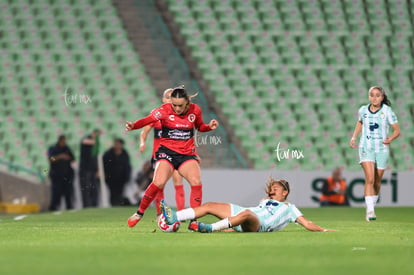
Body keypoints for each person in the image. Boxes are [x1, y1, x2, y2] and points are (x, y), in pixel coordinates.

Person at [125, 85, 219, 229]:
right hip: (167, 153)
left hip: (187, 154)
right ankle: (139, 213)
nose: (177, 108)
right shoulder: (164, 110)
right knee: (159, 182)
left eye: (180, 105)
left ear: (187, 102)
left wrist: (209, 127)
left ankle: (193, 221)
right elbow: (147, 120)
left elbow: (199, 126)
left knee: (196, 181)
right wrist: (134, 126)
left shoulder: (195, 110)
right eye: (174, 105)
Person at [161, 177, 335, 233]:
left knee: (245, 214)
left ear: (285, 193)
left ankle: (208, 228)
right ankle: (174, 217)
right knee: (209, 205)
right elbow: (238, 223)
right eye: (272, 187)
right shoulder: (265, 201)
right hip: (245, 214)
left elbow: (306, 223)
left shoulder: (290, 208)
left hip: (259, 224)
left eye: (276, 188)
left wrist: (323, 230)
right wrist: (228, 229)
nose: (272, 190)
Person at [350, 86, 400, 222]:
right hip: (366, 147)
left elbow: (397, 130)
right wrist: (354, 137)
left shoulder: (387, 111)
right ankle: (370, 211)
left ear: (382, 97)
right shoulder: (363, 110)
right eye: (372, 95)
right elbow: (360, 122)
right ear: (369, 97)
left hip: (382, 149)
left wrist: (391, 138)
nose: (375, 98)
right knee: (370, 179)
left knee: (377, 181)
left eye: (378, 95)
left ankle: (372, 203)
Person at [139, 88, 190, 215]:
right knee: (159, 185)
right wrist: (142, 142)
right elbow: (145, 131)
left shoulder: (181, 116)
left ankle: (181, 214)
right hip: (160, 156)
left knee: (178, 182)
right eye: (167, 97)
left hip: (177, 154)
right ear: (163, 99)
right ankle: (160, 214)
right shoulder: (157, 115)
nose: (169, 100)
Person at [47, 135, 75, 211]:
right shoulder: (53, 148)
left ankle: (69, 207)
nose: (64, 143)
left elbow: (73, 158)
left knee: (68, 193)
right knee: (56, 193)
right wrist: (59, 157)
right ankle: (53, 208)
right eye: (63, 141)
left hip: (67, 175)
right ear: (59, 141)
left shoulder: (66, 148)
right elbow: (51, 158)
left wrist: (67, 157)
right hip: (56, 175)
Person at [103, 138, 131, 206]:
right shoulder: (108, 154)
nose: (117, 145)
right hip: (111, 177)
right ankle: (113, 205)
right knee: (112, 192)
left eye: (118, 144)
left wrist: (127, 176)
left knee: (120, 192)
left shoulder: (125, 154)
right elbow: (105, 164)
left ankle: (119, 205)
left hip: (121, 178)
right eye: (116, 144)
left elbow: (127, 166)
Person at [79, 129, 101, 208]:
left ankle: (94, 205)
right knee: (86, 189)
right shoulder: (86, 140)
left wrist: (98, 170)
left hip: (93, 170)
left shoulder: (96, 146)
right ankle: (87, 206)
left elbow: (95, 158)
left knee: (94, 189)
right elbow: (85, 141)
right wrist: (95, 138)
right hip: (85, 169)